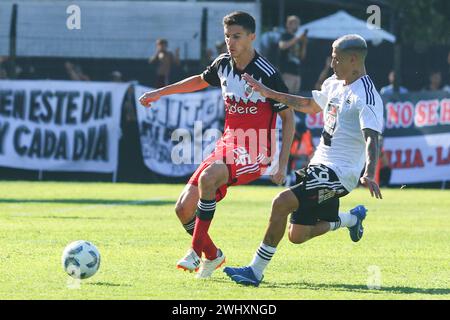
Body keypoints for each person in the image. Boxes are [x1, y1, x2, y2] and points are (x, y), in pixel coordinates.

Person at [139, 11, 294, 279]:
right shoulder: (222, 64)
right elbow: (200, 80)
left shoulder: (266, 73)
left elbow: (288, 117)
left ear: (252, 37)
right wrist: (160, 92)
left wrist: (282, 162)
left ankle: (194, 252)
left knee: (209, 178)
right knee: (183, 209)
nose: (230, 42)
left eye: (237, 36)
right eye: (227, 36)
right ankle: (213, 256)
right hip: (228, 145)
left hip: (256, 149)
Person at [223, 34, 384, 287]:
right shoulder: (334, 83)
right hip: (318, 166)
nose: (332, 64)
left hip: (341, 173)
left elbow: (372, 138)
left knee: (281, 202)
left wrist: (370, 172)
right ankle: (352, 219)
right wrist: (269, 92)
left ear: (353, 60)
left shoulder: (367, 96)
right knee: (297, 235)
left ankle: (255, 271)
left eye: (336, 59)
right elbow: (310, 104)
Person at [278, 16, 308, 94]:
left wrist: (304, 43)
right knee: (287, 96)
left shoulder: (297, 38)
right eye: (295, 23)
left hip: (297, 72)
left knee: (296, 97)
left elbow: (302, 56)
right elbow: (282, 46)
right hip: (287, 71)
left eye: (298, 23)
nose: (297, 25)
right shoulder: (285, 35)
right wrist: (297, 38)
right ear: (288, 24)